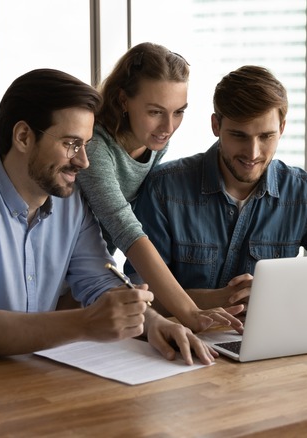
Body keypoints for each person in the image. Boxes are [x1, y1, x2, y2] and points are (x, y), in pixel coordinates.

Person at [0, 68, 214, 365]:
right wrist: (85, 322)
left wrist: (152, 322)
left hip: (9, 382)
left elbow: (99, 283)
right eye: (71, 144)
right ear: (23, 137)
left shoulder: (70, 205)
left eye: (86, 145)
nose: (83, 162)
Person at [128, 65, 307, 314]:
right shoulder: (164, 189)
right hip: (187, 339)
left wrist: (278, 292)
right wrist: (224, 299)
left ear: (282, 129)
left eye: (266, 136)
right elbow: (141, 296)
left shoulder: (305, 194)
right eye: (239, 135)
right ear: (216, 126)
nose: (253, 153)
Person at [77, 42, 243, 332]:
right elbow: (126, 229)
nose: (168, 127)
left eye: (179, 112)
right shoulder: (95, 147)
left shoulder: (154, 143)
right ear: (123, 100)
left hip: (93, 275)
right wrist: (190, 312)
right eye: (155, 112)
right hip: (62, 274)